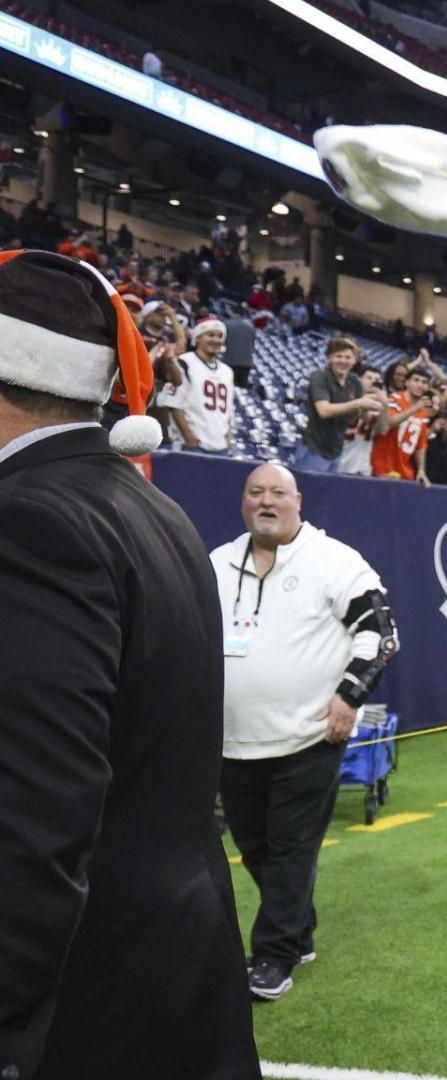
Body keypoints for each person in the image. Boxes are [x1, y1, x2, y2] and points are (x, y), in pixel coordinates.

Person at [0, 249, 257, 1079]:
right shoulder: (150, 507)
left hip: (82, 996)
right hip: (176, 955)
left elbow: (34, 820)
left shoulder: (30, 522)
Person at [213, 462, 397, 1001]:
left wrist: (349, 698)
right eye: (255, 493)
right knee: (255, 848)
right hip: (233, 739)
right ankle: (299, 928)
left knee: (292, 848)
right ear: (243, 502)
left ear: (298, 500)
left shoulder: (336, 562)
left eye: (277, 493)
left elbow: (381, 636)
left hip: (310, 737)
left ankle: (272, 957)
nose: (266, 502)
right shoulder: (217, 563)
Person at [296, 336, 380, 474]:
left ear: (354, 360)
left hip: (336, 450)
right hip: (314, 448)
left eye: (347, 357)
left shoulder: (353, 382)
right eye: (338, 356)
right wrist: (358, 402)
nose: (342, 361)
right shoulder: (320, 377)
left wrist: (369, 408)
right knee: (308, 492)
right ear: (330, 358)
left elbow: (354, 417)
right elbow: (324, 411)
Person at [152, 315, 236, 453]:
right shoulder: (184, 362)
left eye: (220, 336)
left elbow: (228, 411)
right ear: (197, 338)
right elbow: (173, 404)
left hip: (221, 446)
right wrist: (189, 438)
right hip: (192, 445)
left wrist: (228, 438)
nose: (216, 340)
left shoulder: (227, 371)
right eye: (210, 335)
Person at [372, 363, 434, 481]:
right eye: (416, 380)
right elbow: (388, 423)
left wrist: (421, 469)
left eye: (424, 382)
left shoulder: (424, 413)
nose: (420, 385)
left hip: (405, 471)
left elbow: (421, 444)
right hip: (382, 466)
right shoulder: (393, 399)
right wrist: (414, 408)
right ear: (407, 383)